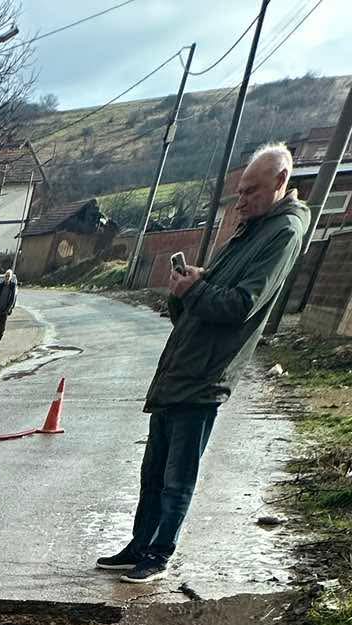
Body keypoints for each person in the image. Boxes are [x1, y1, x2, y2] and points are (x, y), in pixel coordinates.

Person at [96, 143, 308, 584]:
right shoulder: (251, 229)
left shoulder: (283, 233)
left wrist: (196, 290)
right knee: (152, 471)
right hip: (180, 367)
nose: (242, 201)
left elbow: (242, 305)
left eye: (251, 191)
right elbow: (207, 301)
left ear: (281, 182)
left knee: (178, 476)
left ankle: (158, 554)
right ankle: (139, 545)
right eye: (239, 191)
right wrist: (190, 286)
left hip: (205, 376)